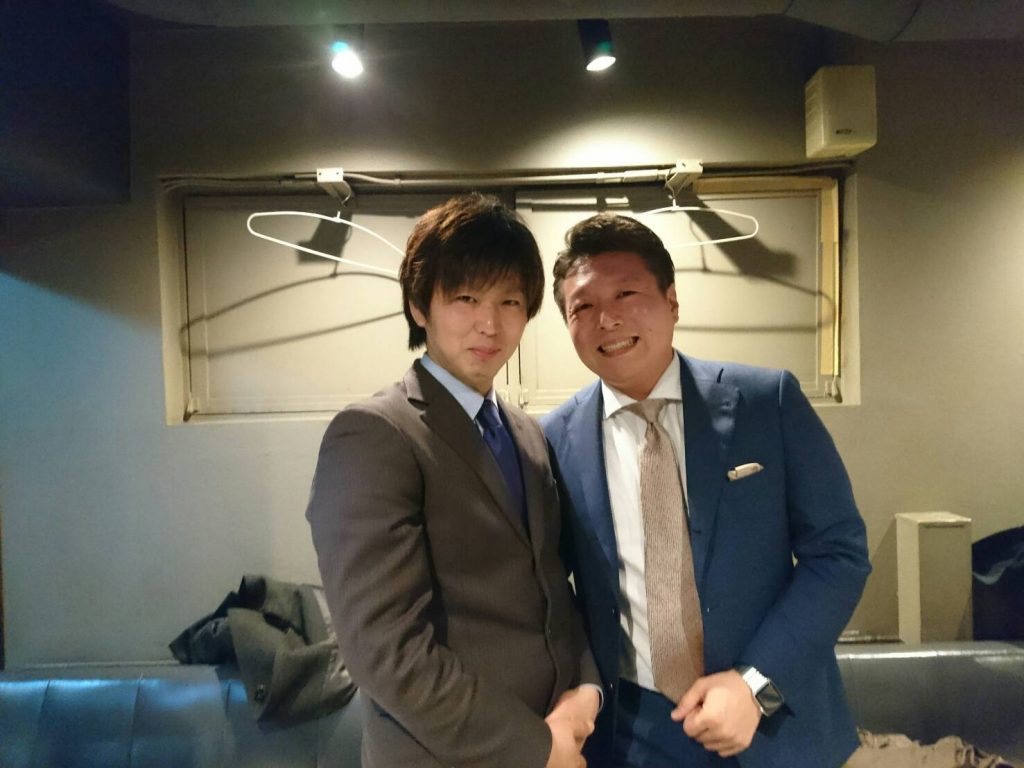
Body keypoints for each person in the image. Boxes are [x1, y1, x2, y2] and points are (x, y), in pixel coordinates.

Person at [540, 213, 870, 768]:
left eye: (626, 293)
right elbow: (554, 593)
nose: (607, 318)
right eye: (582, 307)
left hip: (777, 723)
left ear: (672, 301)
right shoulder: (552, 441)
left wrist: (755, 686)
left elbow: (838, 554)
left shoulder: (767, 402)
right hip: (634, 732)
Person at [307, 193, 601, 768]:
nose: (489, 324)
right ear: (420, 306)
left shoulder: (526, 433)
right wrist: (537, 749)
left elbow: (552, 587)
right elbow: (387, 652)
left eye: (509, 301)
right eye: (465, 298)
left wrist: (585, 689)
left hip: (560, 736)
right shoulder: (374, 434)